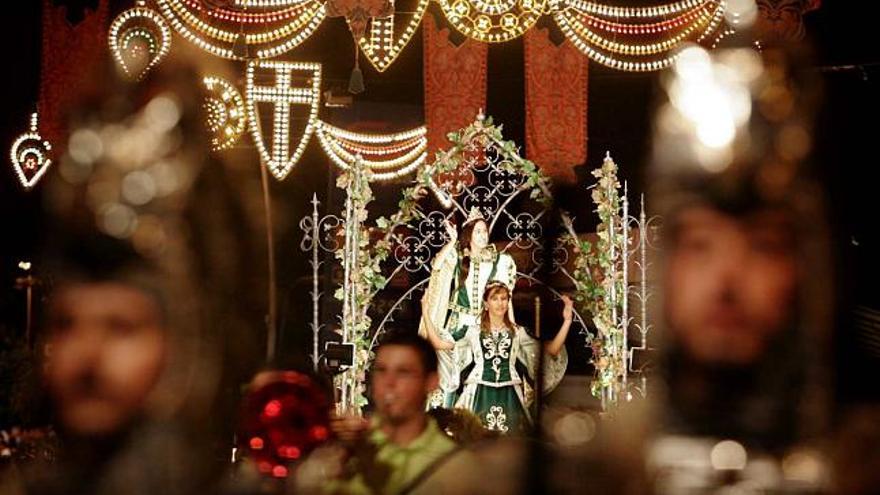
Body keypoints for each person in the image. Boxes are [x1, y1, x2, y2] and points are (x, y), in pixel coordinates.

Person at [296, 332, 470, 495]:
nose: (389, 382)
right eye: (381, 370)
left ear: (431, 382)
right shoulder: (344, 448)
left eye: (404, 372)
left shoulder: (455, 464)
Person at [422, 281, 571, 434]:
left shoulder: (518, 332)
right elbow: (439, 344)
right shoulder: (472, 331)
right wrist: (426, 313)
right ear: (486, 303)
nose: (500, 303)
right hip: (478, 391)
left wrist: (567, 321)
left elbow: (552, 349)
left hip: (510, 394)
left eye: (504, 298)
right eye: (495, 298)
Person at [419, 207, 517, 407]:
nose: (483, 235)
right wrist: (451, 241)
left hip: (486, 324)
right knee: (448, 372)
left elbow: (506, 298)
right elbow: (437, 266)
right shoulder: (457, 258)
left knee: (488, 372)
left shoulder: (501, 261)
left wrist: (512, 324)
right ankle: (443, 416)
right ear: (469, 234)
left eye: (485, 231)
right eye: (478, 231)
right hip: (459, 323)